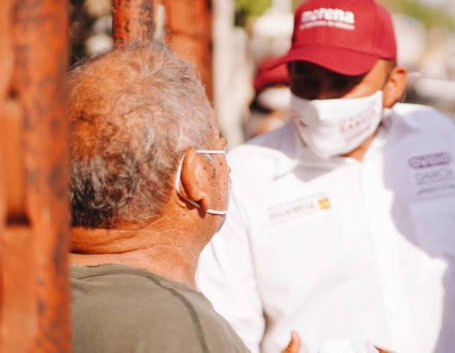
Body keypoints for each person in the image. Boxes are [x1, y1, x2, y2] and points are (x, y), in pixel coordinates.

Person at [197, 0, 455, 353]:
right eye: (305, 79)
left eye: (342, 83)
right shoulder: (246, 176)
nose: (320, 101)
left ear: (393, 84)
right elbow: (228, 326)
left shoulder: (436, 139)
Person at [68, 42, 300, 353]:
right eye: (218, 147)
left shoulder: (25, 290)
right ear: (195, 178)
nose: (226, 164)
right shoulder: (179, 328)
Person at [245, 56, 291, 139]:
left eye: (285, 85)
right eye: (275, 85)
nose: (281, 90)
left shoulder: (297, 115)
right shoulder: (255, 117)